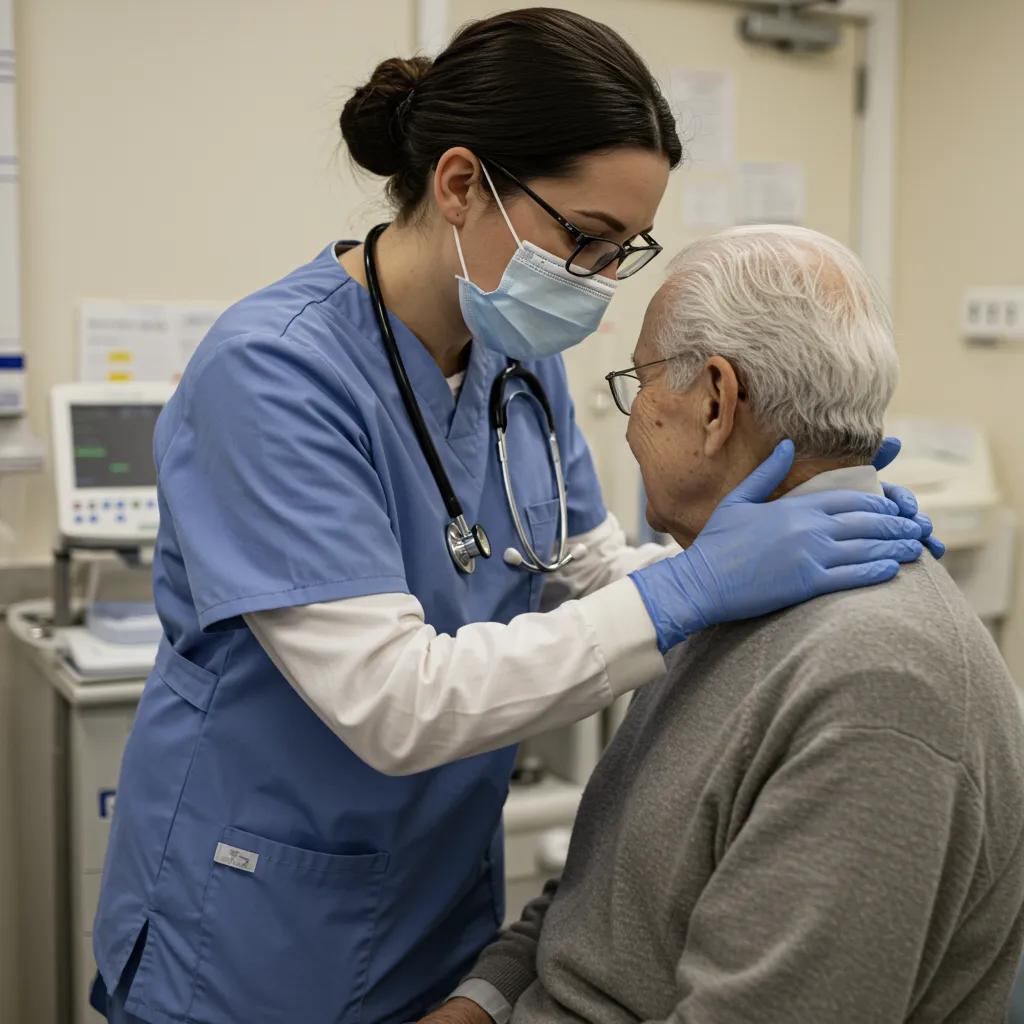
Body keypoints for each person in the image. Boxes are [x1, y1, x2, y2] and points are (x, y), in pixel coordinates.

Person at [89, 11, 937, 1024]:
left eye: (622, 249)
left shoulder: (517, 363)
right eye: (582, 238)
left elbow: (585, 566)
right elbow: (394, 701)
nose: (592, 281)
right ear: (458, 185)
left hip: (435, 911)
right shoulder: (273, 374)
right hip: (259, 919)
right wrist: (695, 585)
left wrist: (793, 543)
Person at [434, 226, 1024, 1024]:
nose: (635, 414)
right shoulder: (726, 594)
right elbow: (599, 899)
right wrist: (479, 1001)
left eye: (638, 382)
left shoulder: (877, 680)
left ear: (715, 401)